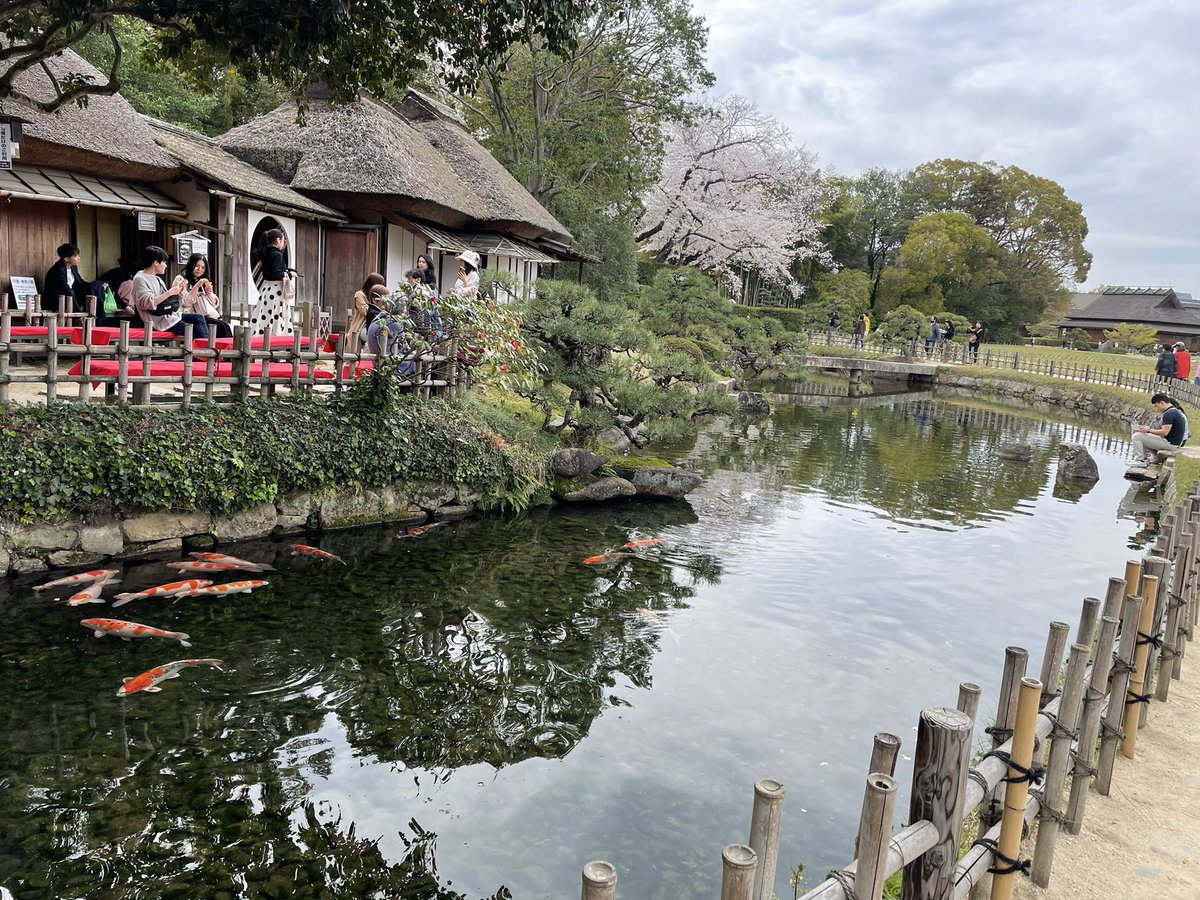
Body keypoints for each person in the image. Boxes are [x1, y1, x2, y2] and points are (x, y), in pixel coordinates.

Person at [131, 245, 209, 340]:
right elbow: (146, 303)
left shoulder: (157, 279)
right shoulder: (139, 278)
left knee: (198, 318)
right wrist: (169, 293)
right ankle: (204, 352)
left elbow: (169, 302)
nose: (166, 265)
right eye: (164, 262)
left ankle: (204, 351)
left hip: (168, 315)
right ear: (156, 263)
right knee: (194, 329)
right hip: (156, 319)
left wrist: (178, 292)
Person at [252, 229, 294, 337]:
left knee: (265, 316)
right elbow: (276, 274)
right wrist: (289, 275)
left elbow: (270, 272)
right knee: (276, 318)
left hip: (267, 289)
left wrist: (287, 271)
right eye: (283, 240)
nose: (284, 243)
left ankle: (262, 338)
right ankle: (275, 340)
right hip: (276, 291)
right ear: (278, 240)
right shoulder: (277, 255)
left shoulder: (266, 253)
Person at [180, 254, 233, 339]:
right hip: (190, 317)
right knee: (221, 326)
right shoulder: (181, 280)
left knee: (224, 326)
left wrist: (209, 293)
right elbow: (186, 303)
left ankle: (225, 349)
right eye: (197, 266)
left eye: (203, 267)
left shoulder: (203, 281)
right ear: (191, 265)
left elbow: (215, 304)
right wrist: (196, 286)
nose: (199, 269)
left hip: (206, 316)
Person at [1132, 393, 1188, 461]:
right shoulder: (1174, 411)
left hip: (1170, 444)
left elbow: (1164, 432)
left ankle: (1139, 460)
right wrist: (1148, 430)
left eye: (1156, 406)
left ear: (1162, 403)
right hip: (1172, 442)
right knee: (1143, 435)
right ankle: (1150, 457)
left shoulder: (1169, 414)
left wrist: (1148, 430)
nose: (1157, 409)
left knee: (1137, 436)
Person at [42, 243, 90, 314]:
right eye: (75, 256)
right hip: (54, 300)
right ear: (66, 259)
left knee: (90, 288)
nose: (78, 258)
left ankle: (95, 315)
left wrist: (94, 285)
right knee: (70, 291)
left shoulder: (73, 267)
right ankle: (79, 315)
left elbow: (80, 283)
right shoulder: (58, 269)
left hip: (68, 297)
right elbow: (64, 288)